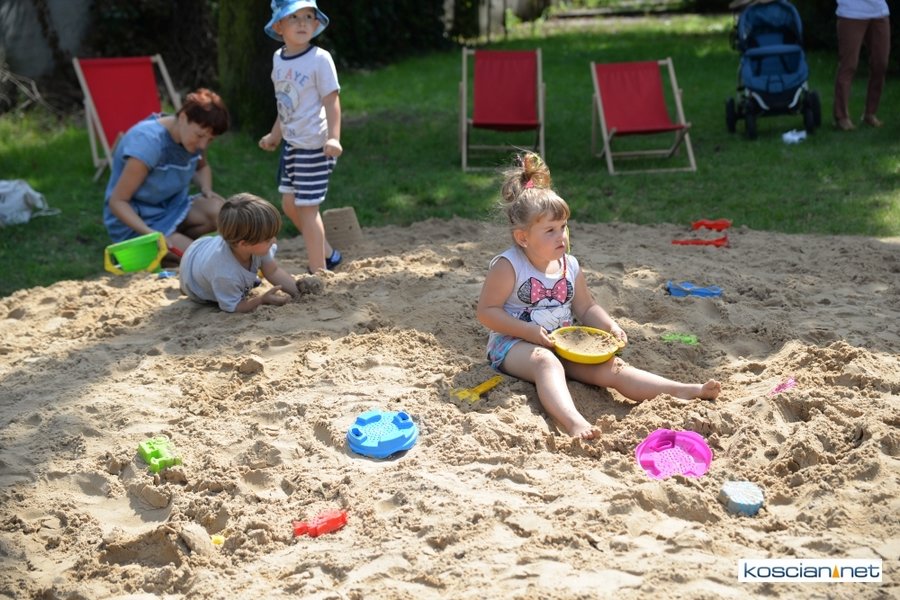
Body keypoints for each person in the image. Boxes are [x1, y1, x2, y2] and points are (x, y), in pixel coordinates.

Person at [476, 153, 721, 440]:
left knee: (613, 368)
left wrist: (609, 325)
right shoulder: (509, 266)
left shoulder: (569, 264)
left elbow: (585, 306)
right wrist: (527, 331)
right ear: (523, 237)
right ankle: (573, 423)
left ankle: (682, 390)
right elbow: (487, 312)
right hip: (514, 344)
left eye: (563, 227)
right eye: (550, 230)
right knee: (546, 363)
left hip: (563, 342)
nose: (561, 236)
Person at [259, 0, 343, 274]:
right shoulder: (278, 59)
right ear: (279, 26)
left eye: (308, 16)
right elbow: (285, 103)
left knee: (307, 209)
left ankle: (319, 270)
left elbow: (332, 101)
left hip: (315, 145)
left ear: (316, 23)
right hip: (292, 146)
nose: (302, 22)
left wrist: (334, 138)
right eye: (293, 17)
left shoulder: (320, 59)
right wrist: (275, 135)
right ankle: (329, 254)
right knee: (289, 204)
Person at [104, 88, 230, 260]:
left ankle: (174, 250)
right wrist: (151, 234)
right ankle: (167, 252)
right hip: (137, 225)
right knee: (203, 259)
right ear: (183, 117)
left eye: (210, 139)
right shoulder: (148, 143)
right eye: (200, 136)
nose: (203, 145)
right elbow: (118, 201)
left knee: (220, 211)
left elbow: (201, 167)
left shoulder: (193, 137)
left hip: (171, 209)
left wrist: (206, 189)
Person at [179, 193, 300, 313]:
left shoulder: (252, 245)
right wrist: (261, 300)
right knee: (233, 282)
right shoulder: (225, 273)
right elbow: (234, 306)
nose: (274, 241)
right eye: (268, 239)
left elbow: (273, 271)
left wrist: (299, 292)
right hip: (192, 280)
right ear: (244, 244)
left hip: (201, 248)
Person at [833, 0, 891, 130]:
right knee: (849, 65)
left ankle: (870, 113)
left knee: (881, 63)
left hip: (879, 12)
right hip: (851, 13)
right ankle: (841, 117)